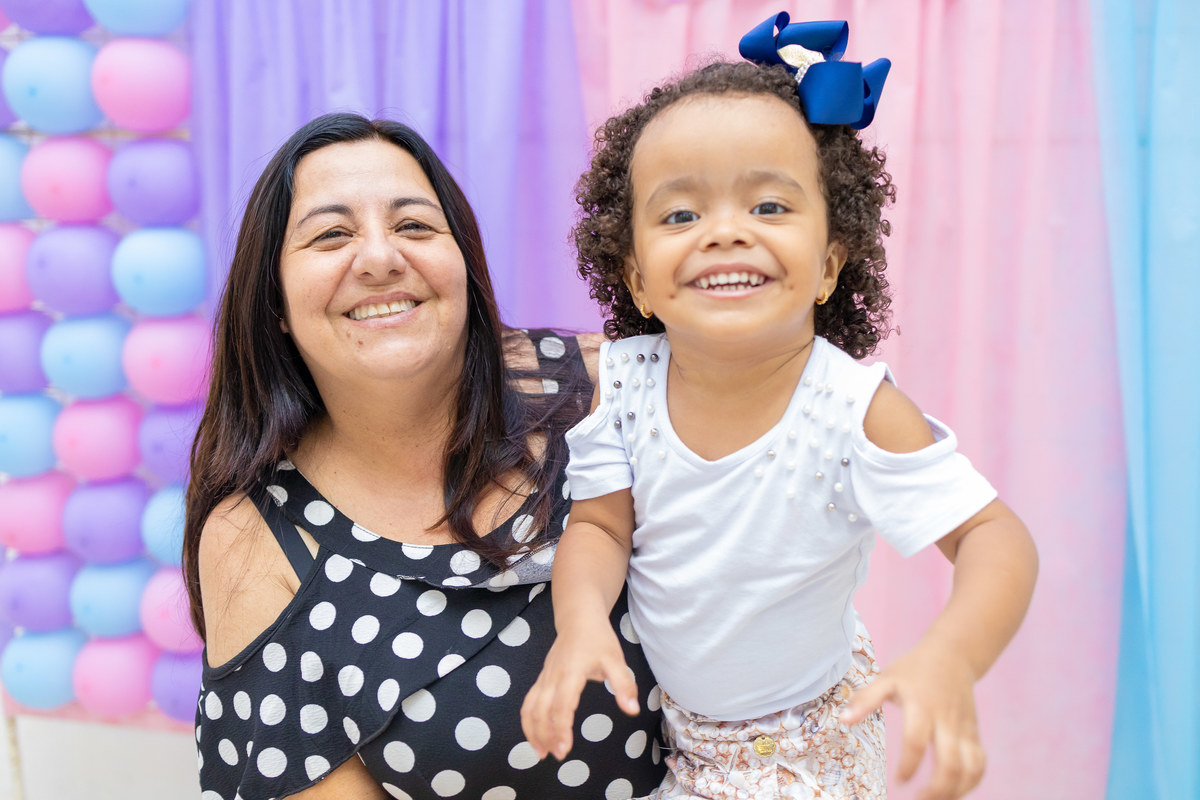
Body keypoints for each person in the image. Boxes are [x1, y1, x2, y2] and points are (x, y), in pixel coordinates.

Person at [520, 14, 1039, 800]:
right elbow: (600, 528)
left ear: (829, 265)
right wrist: (581, 621)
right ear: (635, 279)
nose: (726, 233)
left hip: (815, 743)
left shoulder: (853, 409)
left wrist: (951, 657)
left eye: (768, 207)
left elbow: (994, 538)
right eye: (681, 215)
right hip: (686, 741)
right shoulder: (622, 386)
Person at [184, 112, 667, 800]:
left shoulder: (610, 388)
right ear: (275, 304)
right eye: (331, 235)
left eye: (414, 225)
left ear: (463, 264)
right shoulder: (256, 538)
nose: (381, 258)